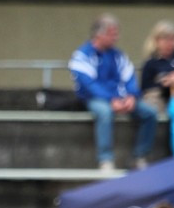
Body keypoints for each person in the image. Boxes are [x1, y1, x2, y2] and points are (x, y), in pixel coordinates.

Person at [68, 14, 158, 171]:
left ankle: (140, 156)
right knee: (104, 112)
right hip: (95, 99)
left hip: (121, 98)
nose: (116, 37)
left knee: (149, 113)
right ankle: (105, 159)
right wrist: (111, 99)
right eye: (112, 34)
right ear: (99, 34)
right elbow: (89, 84)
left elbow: (129, 77)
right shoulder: (82, 55)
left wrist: (131, 96)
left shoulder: (118, 55)